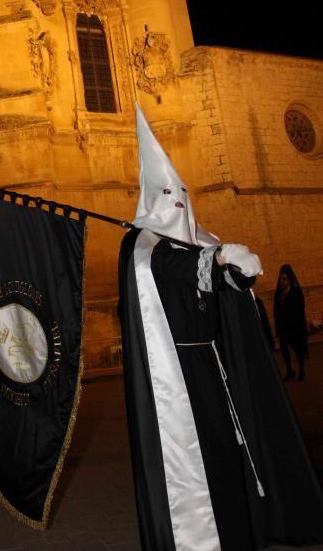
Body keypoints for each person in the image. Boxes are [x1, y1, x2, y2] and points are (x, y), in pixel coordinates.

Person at [118, 105, 323, 551]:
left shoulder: (201, 242)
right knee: (200, 457)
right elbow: (178, 270)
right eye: (168, 195)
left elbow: (223, 280)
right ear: (152, 200)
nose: (178, 203)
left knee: (231, 448)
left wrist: (235, 269)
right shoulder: (143, 248)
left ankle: (242, 529)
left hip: (215, 366)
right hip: (177, 375)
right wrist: (220, 259)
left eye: (182, 194)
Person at [274, 264, 308, 382]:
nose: (282, 282)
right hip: (283, 327)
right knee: (284, 350)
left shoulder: (295, 292)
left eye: (284, 279)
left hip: (295, 326)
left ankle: (301, 370)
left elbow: (299, 311)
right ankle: (289, 371)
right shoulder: (279, 292)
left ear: (290, 279)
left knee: (298, 350)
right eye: (281, 279)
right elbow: (276, 310)